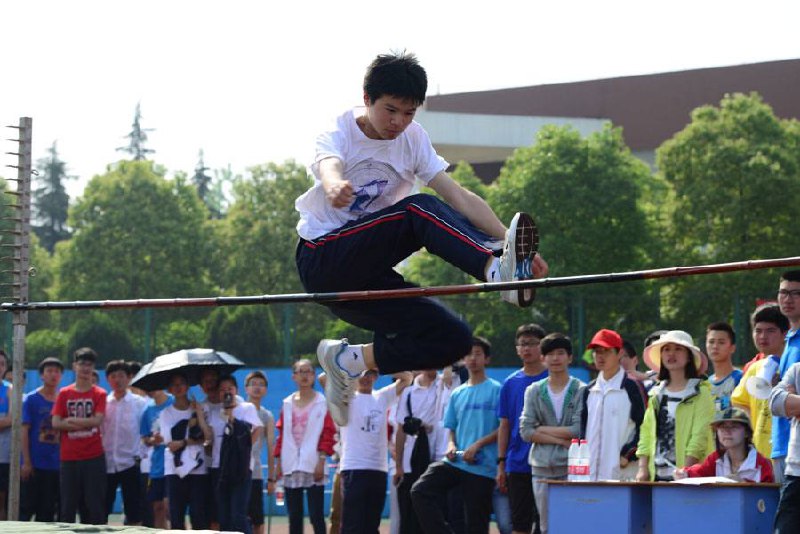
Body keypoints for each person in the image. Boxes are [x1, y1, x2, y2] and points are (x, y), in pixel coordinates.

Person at [295, 51, 548, 427]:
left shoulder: (413, 140)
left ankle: (348, 361)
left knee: (454, 338)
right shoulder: (339, 130)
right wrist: (333, 185)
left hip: (366, 276)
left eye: (410, 113)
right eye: (391, 110)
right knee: (416, 210)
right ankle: (495, 271)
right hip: (324, 259)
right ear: (367, 98)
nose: (399, 122)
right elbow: (327, 164)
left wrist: (510, 243)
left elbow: (460, 197)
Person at [411, 337, 501, 534]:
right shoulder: (457, 393)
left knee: (475, 525)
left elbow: (504, 428)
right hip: (455, 462)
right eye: (469, 354)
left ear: (487, 359)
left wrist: (478, 445)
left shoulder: (497, 390)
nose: (473, 358)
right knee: (420, 490)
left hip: (482, 466)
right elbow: (451, 428)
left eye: (478, 354)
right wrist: (451, 445)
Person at [519, 333, 584, 534]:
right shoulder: (534, 390)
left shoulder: (581, 389)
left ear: (570, 358)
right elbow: (525, 431)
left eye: (560, 353)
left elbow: (577, 430)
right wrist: (562, 441)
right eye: (550, 354)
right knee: (547, 526)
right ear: (542, 358)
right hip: (541, 467)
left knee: (572, 523)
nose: (555, 358)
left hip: (571, 466)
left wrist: (541, 429)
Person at [636, 330, 715, 481]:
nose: (671, 354)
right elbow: (646, 434)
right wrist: (642, 468)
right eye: (666, 349)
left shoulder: (702, 393)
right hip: (656, 476)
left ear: (689, 356)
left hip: (692, 478)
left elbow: (700, 437)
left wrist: (685, 472)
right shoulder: (655, 394)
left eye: (678, 349)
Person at [340, 370, 411, 533]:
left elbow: (407, 378)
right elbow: (324, 379)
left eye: (370, 374)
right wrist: (354, 367)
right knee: (352, 524)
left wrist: (380, 365)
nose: (365, 378)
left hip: (378, 469)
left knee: (372, 524)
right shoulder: (347, 397)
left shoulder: (382, 396)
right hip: (354, 467)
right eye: (362, 373)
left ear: (376, 377)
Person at [496, 323, 547, 534]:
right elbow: (505, 425)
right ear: (517, 348)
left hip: (548, 461)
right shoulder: (510, 383)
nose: (527, 348)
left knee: (546, 523)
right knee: (519, 524)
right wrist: (501, 463)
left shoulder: (552, 379)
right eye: (522, 344)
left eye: (532, 343)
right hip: (517, 463)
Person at [275, 359, 336, 534]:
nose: (305, 375)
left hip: (314, 463)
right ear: (294, 376)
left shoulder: (322, 402)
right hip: (290, 464)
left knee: (316, 515)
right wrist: (278, 461)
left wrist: (322, 460)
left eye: (308, 371)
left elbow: (327, 432)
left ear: (314, 376)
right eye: (300, 372)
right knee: (294, 516)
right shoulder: (287, 403)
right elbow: (282, 434)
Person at [580, 329, 645, 481]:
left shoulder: (632, 387)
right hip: (590, 476)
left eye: (606, 351)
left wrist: (629, 454)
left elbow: (645, 426)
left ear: (620, 353)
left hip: (623, 474)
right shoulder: (588, 390)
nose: (600, 356)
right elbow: (582, 430)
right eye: (596, 351)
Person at [51, 347, 107, 524]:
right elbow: (56, 423)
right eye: (82, 364)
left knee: (94, 506)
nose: (85, 368)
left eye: (89, 365)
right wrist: (84, 421)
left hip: (94, 456)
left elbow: (97, 421)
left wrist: (71, 421)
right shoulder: (65, 393)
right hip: (69, 458)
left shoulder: (100, 393)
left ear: (93, 368)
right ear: (74, 366)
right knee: (67, 507)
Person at [394, 369, 452, 534]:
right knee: (409, 515)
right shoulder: (409, 392)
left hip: (439, 460)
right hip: (412, 461)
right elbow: (401, 430)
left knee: (436, 515)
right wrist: (398, 466)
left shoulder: (445, 385)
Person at [731, 304, 789, 460]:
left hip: (790, 454)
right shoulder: (754, 368)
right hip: (760, 456)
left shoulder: (794, 365)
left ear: (785, 333)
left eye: (770, 331)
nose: (763, 336)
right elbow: (738, 403)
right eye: (758, 331)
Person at [160, 372, 212, 530]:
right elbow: (171, 443)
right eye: (174, 384)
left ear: (188, 385)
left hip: (198, 469)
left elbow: (207, 438)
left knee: (198, 514)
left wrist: (199, 417)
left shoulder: (200, 408)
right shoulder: (166, 414)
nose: (178, 387)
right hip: (175, 470)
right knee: (176, 517)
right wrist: (188, 431)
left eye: (181, 382)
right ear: (169, 389)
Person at [213, 375, 263, 534]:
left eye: (230, 389)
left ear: (236, 390)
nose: (226, 393)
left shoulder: (246, 407)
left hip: (241, 467)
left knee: (238, 515)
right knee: (224, 516)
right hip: (221, 467)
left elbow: (257, 429)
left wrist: (246, 449)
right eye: (222, 390)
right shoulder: (215, 410)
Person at [102, 359, 148, 524]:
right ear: (108, 379)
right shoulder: (104, 403)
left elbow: (145, 432)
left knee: (134, 511)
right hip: (107, 463)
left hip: (130, 463)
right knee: (102, 509)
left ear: (129, 378)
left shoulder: (140, 403)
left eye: (121, 375)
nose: (117, 380)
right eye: (113, 376)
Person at [675, 407, 773, 482]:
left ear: (747, 433)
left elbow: (769, 497)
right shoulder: (715, 459)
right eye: (722, 428)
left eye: (734, 427)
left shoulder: (762, 464)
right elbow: (698, 472)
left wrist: (744, 485)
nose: (727, 432)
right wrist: (684, 473)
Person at [20, 356, 64, 522]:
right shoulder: (31, 399)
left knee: (46, 512)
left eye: (57, 371)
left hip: (55, 466)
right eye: (49, 371)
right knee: (25, 509)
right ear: (42, 375)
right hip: (34, 465)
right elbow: (24, 431)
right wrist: (26, 462)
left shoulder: (63, 399)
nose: (53, 375)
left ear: (61, 375)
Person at [773, 270, 800, 484]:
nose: (787, 299)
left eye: (796, 293)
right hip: (782, 443)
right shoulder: (789, 338)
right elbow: (782, 396)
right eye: (783, 292)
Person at [770, 358, 800, 532]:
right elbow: (775, 402)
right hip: (795, 475)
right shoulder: (796, 370)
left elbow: (785, 403)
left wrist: (794, 403)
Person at [244, 371, 276, 534]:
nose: (257, 387)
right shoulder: (238, 411)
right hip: (236, 473)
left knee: (257, 520)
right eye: (253, 384)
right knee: (238, 517)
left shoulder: (266, 415)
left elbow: (271, 447)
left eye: (261, 384)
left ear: (266, 390)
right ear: (246, 388)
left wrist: (271, 478)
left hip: (255, 473)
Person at [139, 386, 175, 528]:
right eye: (148, 385)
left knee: (170, 508)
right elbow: (145, 438)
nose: (151, 388)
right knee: (158, 507)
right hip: (157, 465)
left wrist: (167, 438)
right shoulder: (147, 410)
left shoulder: (174, 402)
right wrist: (153, 441)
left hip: (174, 463)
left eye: (154, 384)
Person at [706, 321, 743, 411]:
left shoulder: (741, 379)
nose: (715, 346)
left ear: (732, 348)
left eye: (721, 342)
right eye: (711, 342)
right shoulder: (705, 385)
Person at [0, 350, 11, 520]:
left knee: (1, 501)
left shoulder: (10, 390)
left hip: (3, 457)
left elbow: (11, 419)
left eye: (2, 364)